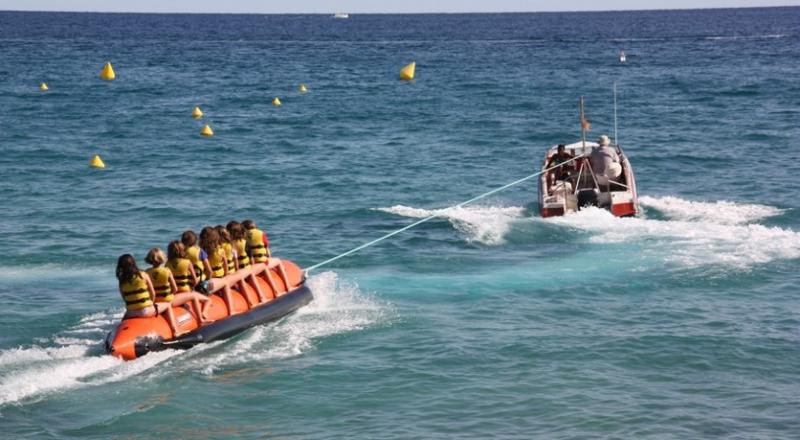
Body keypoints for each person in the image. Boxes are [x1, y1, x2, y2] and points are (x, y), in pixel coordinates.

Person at [116, 254, 183, 336]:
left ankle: (118, 335)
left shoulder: (121, 280)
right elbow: (153, 293)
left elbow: (125, 298)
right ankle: (175, 331)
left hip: (130, 313)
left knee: (121, 324)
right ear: (133, 263)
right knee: (168, 305)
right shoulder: (143, 275)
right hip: (145, 311)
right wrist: (151, 304)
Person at [165, 241, 213, 324]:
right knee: (206, 299)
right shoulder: (187, 262)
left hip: (174, 294)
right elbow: (195, 280)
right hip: (185, 291)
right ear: (182, 250)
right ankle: (201, 318)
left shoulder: (167, 264)